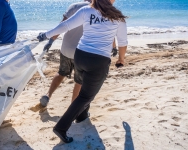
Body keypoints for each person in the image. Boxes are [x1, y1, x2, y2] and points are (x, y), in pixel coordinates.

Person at [37, 0, 127, 143]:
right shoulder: (118, 17)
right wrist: (121, 59)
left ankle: (81, 115)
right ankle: (61, 128)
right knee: (86, 96)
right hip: (98, 61)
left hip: (80, 56)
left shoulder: (87, 10)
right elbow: (122, 43)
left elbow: (65, 25)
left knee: (84, 85)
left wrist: (46, 35)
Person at [40, 0, 118, 107]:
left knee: (61, 72)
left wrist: (50, 40)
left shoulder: (74, 6)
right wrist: (114, 47)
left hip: (66, 48)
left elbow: (63, 25)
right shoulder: (100, 9)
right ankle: (73, 107)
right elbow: (108, 31)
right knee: (79, 81)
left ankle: (48, 95)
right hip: (82, 52)